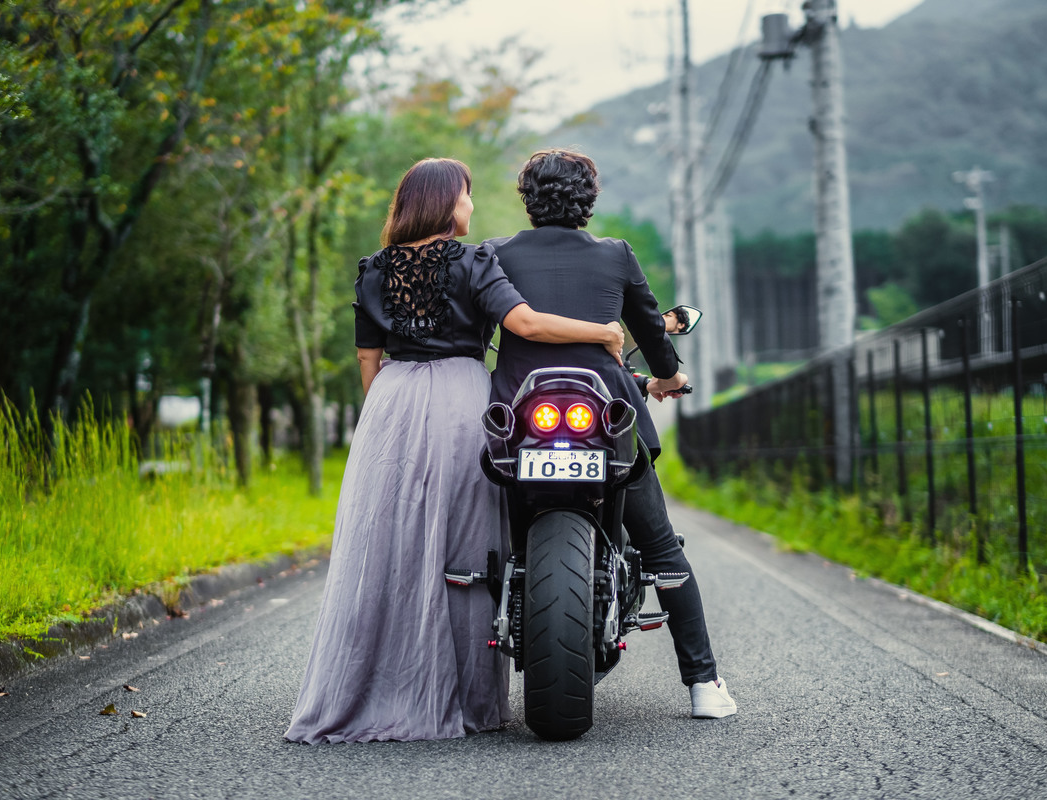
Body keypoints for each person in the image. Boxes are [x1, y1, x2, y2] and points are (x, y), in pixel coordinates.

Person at [284, 158, 624, 745]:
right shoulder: (472, 262)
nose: (470, 207)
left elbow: (368, 362)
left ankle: (371, 688)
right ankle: (466, 701)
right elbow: (528, 325)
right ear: (446, 204)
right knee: (466, 549)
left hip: (391, 405)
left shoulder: (373, 270)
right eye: (465, 196)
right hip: (460, 400)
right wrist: (604, 332)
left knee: (388, 546)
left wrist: (390, 420)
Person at [486, 149, 737, 719]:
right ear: (589, 199)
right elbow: (651, 331)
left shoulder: (495, 254)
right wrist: (671, 378)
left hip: (522, 421)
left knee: (476, 539)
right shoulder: (616, 255)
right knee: (661, 549)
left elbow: (477, 334)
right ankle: (703, 686)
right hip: (606, 419)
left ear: (527, 198)